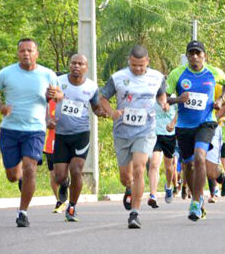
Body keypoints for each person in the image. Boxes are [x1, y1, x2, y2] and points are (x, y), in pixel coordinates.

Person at [0, 39, 60, 227]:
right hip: (10, 129)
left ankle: (23, 212)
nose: (26, 54)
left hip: (35, 129)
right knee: (12, 176)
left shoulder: (47, 74)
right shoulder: (6, 73)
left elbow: (59, 95)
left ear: (37, 53)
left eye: (29, 50)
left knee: (30, 169)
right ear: (17, 53)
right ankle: (17, 173)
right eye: (22, 51)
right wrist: (1, 106)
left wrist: (55, 95)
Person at [99, 45, 168, 229]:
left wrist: (163, 104)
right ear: (129, 61)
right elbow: (102, 98)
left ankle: (135, 213)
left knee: (139, 168)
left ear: (148, 62)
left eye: (141, 65)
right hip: (122, 131)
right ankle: (129, 188)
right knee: (125, 177)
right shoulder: (118, 77)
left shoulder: (157, 77)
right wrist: (112, 112)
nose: (138, 69)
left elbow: (161, 96)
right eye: (134, 65)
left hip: (145, 130)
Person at [166, 41, 225, 221]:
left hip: (206, 123)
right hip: (184, 126)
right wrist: (179, 99)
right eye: (191, 53)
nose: (195, 56)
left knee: (200, 156)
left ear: (204, 56)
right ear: (187, 56)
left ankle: (195, 201)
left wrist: (220, 98)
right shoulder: (177, 74)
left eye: (198, 53)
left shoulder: (213, 72)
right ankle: (197, 197)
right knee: (188, 166)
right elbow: (164, 98)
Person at [49, 54, 100, 222]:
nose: (76, 66)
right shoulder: (58, 81)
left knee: (77, 170)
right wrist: (47, 118)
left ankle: (72, 207)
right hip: (61, 135)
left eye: (80, 64)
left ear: (86, 67)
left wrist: (105, 113)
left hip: (81, 134)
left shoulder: (92, 86)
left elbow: (96, 107)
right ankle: (64, 184)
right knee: (59, 176)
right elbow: (44, 100)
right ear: (69, 65)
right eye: (73, 63)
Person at [149, 99, 176, 208]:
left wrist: (173, 122)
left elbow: (181, 112)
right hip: (155, 135)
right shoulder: (151, 98)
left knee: (168, 167)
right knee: (154, 163)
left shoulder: (174, 98)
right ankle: (153, 195)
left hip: (169, 135)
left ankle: (169, 187)